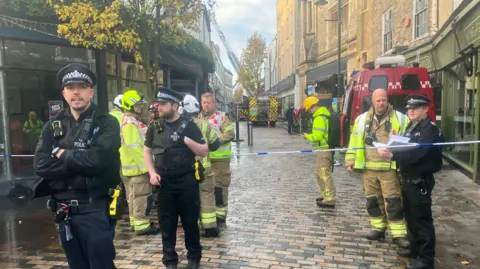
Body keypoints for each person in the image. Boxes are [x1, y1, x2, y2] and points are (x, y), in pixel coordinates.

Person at [34, 63, 120, 268]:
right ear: (64, 93)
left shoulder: (106, 122)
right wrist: (79, 161)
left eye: (81, 87)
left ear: (91, 92)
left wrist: (61, 154)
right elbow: (40, 165)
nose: (76, 92)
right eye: (71, 88)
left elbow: (98, 161)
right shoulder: (53, 125)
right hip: (64, 214)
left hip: (95, 210)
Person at [144, 87, 208, 269]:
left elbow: (204, 150)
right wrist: (151, 173)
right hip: (164, 184)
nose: (159, 107)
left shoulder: (189, 126)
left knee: (190, 223)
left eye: (163, 104)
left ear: (174, 105)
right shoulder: (154, 128)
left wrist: (188, 142)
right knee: (167, 225)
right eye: (158, 103)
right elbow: (147, 152)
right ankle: (170, 261)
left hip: (186, 183)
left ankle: (194, 258)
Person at [377, 94, 443, 269]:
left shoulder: (429, 129)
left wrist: (393, 155)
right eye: (409, 108)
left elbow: (418, 154)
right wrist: (395, 140)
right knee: (411, 218)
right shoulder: (413, 127)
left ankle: (425, 259)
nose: (411, 111)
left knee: (421, 220)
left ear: (425, 109)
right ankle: (415, 250)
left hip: (419, 180)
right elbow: (407, 146)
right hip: (408, 179)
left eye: (415, 108)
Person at [345, 88, 410, 248]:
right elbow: (354, 141)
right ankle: (378, 228)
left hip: (389, 169)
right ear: (372, 101)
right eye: (378, 100)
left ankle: (399, 234)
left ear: (388, 100)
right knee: (372, 201)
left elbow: (407, 142)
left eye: (383, 100)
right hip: (368, 169)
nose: (381, 103)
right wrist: (350, 159)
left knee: (393, 202)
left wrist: (403, 163)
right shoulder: (361, 119)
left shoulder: (400, 118)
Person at [180, 94, 221, 237]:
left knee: (190, 198)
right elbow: (216, 144)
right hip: (204, 168)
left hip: (185, 170)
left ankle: (192, 227)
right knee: (207, 195)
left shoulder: (178, 125)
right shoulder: (204, 124)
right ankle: (210, 227)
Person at [120, 90, 159, 235]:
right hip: (138, 169)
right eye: (137, 105)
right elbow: (135, 148)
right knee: (141, 197)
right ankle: (142, 226)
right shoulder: (130, 123)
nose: (140, 107)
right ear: (130, 105)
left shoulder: (129, 121)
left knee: (134, 197)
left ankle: (135, 222)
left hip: (132, 169)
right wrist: (147, 168)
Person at [198, 92, 234, 224]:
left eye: (208, 102)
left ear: (214, 103)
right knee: (207, 189)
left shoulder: (222, 117)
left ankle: (220, 215)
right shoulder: (199, 117)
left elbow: (230, 134)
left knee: (220, 188)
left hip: (220, 160)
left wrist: (214, 141)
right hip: (205, 160)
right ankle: (209, 214)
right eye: (204, 102)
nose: (206, 105)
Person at [302, 96, 336, 208]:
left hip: (323, 150)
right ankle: (325, 195)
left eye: (309, 109)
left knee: (324, 174)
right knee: (319, 174)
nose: (310, 111)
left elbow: (317, 136)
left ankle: (329, 199)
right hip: (322, 150)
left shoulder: (319, 118)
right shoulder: (323, 115)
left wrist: (307, 136)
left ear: (313, 107)